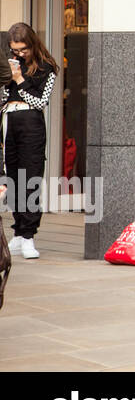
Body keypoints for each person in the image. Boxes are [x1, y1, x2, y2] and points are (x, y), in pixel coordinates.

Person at [4, 23, 59, 259]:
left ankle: (28, 236)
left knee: (31, 178)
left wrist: (19, 80)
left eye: (23, 49)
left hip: (32, 124)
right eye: (15, 50)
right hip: (10, 120)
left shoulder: (47, 67)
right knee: (13, 177)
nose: (19, 54)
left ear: (32, 44)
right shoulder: (10, 63)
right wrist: (8, 82)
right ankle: (18, 232)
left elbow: (40, 102)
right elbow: (4, 98)